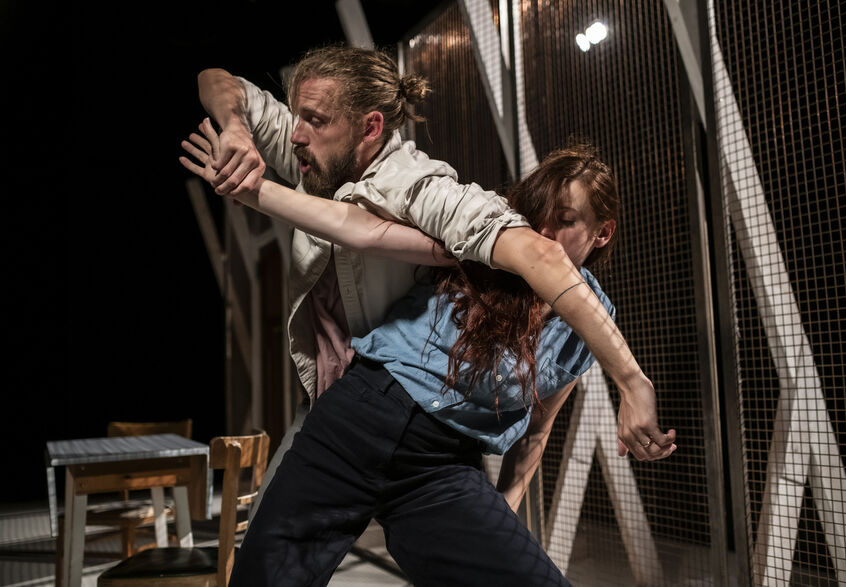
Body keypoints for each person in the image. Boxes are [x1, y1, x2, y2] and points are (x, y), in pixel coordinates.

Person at [181, 127, 677, 585]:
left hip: (439, 468)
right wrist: (257, 191)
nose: (545, 234)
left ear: (603, 233)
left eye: (566, 221)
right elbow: (356, 227)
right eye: (539, 217)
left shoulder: (591, 325)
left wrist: (499, 513)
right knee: (263, 577)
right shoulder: (489, 239)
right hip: (358, 420)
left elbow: (536, 434)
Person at [194, 46, 670, 470]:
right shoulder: (317, 155)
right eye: (296, 116)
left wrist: (631, 380)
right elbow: (216, 78)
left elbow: (536, 429)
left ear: (370, 127)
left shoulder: (423, 187)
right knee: (274, 553)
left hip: (420, 422)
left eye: (314, 119)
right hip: (344, 400)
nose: (296, 134)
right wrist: (237, 131)